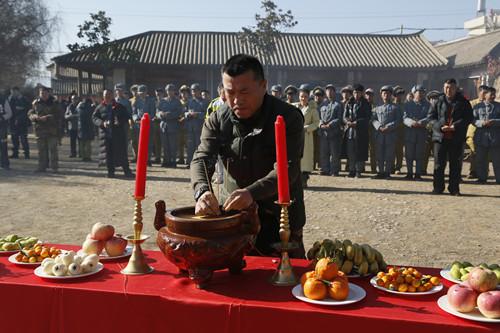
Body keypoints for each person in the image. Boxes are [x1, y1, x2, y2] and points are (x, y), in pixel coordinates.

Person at [191, 54, 306, 258]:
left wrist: (252, 193)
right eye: (230, 92)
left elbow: (287, 168)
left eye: (244, 91)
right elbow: (201, 158)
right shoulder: (218, 119)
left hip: (279, 218)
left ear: (263, 85)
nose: (237, 100)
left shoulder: (288, 117)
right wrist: (202, 192)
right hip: (234, 218)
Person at [428, 78, 473, 195]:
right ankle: (438, 187)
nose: (449, 90)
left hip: (456, 137)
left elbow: (468, 118)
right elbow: (431, 118)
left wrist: (455, 126)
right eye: (446, 87)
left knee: (455, 165)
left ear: (456, 88)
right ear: (443, 88)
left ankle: (454, 188)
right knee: (438, 164)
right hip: (440, 137)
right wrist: (440, 126)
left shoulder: (463, 102)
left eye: (451, 88)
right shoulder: (438, 101)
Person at [93, 90, 134, 178]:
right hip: (105, 135)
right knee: (108, 154)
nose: (107, 97)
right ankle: (110, 172)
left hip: (118, 134)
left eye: (108, 95)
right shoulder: (99, 107)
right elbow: (94, 118)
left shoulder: (119, 106)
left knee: (122, 153)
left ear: (112, 96)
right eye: (105, 95)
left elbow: (127, 117)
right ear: (103, 96)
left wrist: (119, 121)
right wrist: (102, 123)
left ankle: (127, 171)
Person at [28, 86, 61, 173]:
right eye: (42, 93)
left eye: (45, 93)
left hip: (52, 130)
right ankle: (41, 167)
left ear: (49, 93)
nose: (43, 95)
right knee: (41, 150)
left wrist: (48, 117)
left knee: (53, 149)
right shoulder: (35, 103)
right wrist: (34, 117)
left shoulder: (54, 103)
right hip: (40, 130)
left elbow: (59, 115)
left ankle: (55, 167)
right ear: (39, 94)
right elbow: (30, 113)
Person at [372, 85, 401, 179]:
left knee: (389, 154)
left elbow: (398, 120)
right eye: (384, 93)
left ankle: (387, 172)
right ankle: (380, 172)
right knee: (379, 153)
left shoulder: (395, 107)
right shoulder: (377, 107)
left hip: (390, 134)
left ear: (391, 95)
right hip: (379, 134)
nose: (385, 95)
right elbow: (373, 119)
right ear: (381, 95)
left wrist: (388, 127)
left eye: (388, 93)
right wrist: (379, 126)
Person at [473, 87, 500, 184]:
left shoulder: (498, 106)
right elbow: (472, 120)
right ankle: (482, 178)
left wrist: (494, 122)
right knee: (481, 159)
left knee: (497, 160)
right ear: (485, 95)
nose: (493, 96)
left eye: (494, 94)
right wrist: (481, 123)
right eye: (491, 94)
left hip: (495, 137)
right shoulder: (477, 107)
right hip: (481, 137)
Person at [403, 85, 430, 180]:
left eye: (423, 92)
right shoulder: (407, 104)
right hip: (410, 132)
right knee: (408, 154)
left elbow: (430, 117)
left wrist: (421, 122)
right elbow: (404, 117)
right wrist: (411, 123)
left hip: (422, 133)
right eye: (419, 92)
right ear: (414, 93)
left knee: (420, 154)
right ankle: (409, 173)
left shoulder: (428, 105)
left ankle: (418, 173)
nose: (421, 94)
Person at [295, 85, 319, 187]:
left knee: (305, 159)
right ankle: (296, 180)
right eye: (301, 96)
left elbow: (316, 123)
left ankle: (304, 179)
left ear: (308, 97)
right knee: (296, 158)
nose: (303, 98)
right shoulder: (295, 107)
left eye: (305, 96)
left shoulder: (312, 109)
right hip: (296, 137)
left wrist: (307, 128)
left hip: (306, 136)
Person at [343, 84, 370, 178]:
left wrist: (357, 123)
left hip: (360, 132)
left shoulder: (366, 103)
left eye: (358, 92)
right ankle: (351, 170)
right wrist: (347, 121)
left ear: (362, 93)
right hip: (350, 131)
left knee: (359, 151)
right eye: (354, 92)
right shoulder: (349, 103)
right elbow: (344, 116)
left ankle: (358, 170)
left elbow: (367, 118)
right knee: (350, 152)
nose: (356, 94)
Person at [318, 84, 343, 176]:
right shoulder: (322, 105)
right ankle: (325, 169)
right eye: (328, 90)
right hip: (323, 132)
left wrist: (330, 124)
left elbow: (339, 118)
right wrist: (320, 124)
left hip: (334, 132)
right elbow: (318, 117)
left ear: (334, 92)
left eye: (331, 90)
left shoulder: (338, 104)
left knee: (334, 153)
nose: (329, 92)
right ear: (326, 92)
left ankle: (334, 170)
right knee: (324, 152)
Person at [157, 84, 183, 168]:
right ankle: (166, 161)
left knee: (173, 145)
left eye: (171, 90)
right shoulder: (162, 101)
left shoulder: (177, 101)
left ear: (174, 91)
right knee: (165, 145)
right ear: (166, 91)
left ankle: (173, 161)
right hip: (163, 125)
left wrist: (169, 114)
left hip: (173, 124)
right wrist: (160, 114)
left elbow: (179, 112)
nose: (169, 92)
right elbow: (157, 111)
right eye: (168, 90)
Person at [466, 85, 489, 179]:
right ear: (478, 93)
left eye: (487, 93)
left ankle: (482, 171)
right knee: (474, 151)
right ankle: (474, 171)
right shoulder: (472, 104)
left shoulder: (490, 105)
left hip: (485, 134)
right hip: (473, 132)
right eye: (483, 93)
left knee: (484, 153)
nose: (485, 95)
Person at [131, 84, 155, 165]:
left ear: (146, 92)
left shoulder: (151, 100)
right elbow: (133, 113)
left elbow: (153, 113)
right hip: (139, 125)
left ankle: (148, 159)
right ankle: (140, 159)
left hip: (148, 124)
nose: (141, 94)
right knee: (139, 142)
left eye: (143, 92)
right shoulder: (136, 101)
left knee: (149, 143)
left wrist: (146, 119)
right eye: (139, 92)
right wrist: (136, 119)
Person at [185, 83, 208, 166]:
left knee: (199, 146)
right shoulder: (190, 101)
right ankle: (189, 162)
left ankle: (198, 163)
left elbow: (207, 114)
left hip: (199, 127)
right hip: (190, 127)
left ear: (199, 91)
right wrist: (188, 114)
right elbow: (184, 112)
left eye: (195, 90)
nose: (193, 92)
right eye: (192, 90)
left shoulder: (205, 102)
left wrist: (197, 114)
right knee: (190, 146)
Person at [8, 87, 30, 159]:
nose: (12, 94)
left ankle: (26, 154)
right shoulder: (11, 99)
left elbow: (28, 110)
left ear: (17, 91)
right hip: (13, 122)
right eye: (11, 92)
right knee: (14, 139)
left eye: (13, 92)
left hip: (22, 122)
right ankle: (15, 153)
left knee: (23, 139)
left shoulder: (24, 99)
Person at [422, 90, 441, 175]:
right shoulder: (425, 108)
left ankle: (437, 171)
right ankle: (422, 170)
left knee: (437, 155)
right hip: (426, 134)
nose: (434, 100)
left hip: (437, 135)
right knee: (424, 154)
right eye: (432, 99)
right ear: (429, 100)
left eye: (436, 98)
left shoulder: (441, 109)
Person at [76, 95, 95, 162]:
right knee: (88, 144)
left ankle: (83, 156)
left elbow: (76, 112)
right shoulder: (90, 108)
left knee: (81, 143)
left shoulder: (79, 108)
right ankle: (88, 156)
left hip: (80, 127)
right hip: (89, 127)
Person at [392, 85, 406, 175]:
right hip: (391, 130)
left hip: (401, 130)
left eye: (401, 94)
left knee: (399, 151)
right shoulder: (391, 105)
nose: (400, 96)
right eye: (398, 94)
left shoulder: (405, 106)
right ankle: (391, 166)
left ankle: (398, 167)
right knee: (390, 150)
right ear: (394, 95)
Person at [365, 88, 377, 174]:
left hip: (373, 131)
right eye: (367, 94)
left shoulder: (376, 106)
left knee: (373, 151)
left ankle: (373, 168)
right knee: (362, 149)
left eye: (370, 95)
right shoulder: (362, 105)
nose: (369, 96)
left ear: (373, 96)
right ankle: (361, 168)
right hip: (363, 131)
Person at [177, 84, 190, 165]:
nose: (184, 94)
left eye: (185, 92)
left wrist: (184, 118)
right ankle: (180, 158)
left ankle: (187, 158)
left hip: (187, 125)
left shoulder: (191, 102)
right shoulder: (178, 102)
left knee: (188, 144)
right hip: (178, 125)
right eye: (182, 92)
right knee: (179, 143)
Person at [0, 93, 13, 170]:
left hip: (2, 127)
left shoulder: (3, 99)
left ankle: (5, 164)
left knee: (3, 145)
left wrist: (2, 118)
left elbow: (9, 113)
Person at [152, 88, 164, 164]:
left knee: (164, 141)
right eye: (157, 94)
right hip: (155, 123)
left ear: (163, 94)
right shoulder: (154, 102)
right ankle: (157, 157)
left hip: (163, 122)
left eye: (159, 94)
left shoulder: (165, 101)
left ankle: (166, 158)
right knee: (156, 141)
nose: (158, 95)